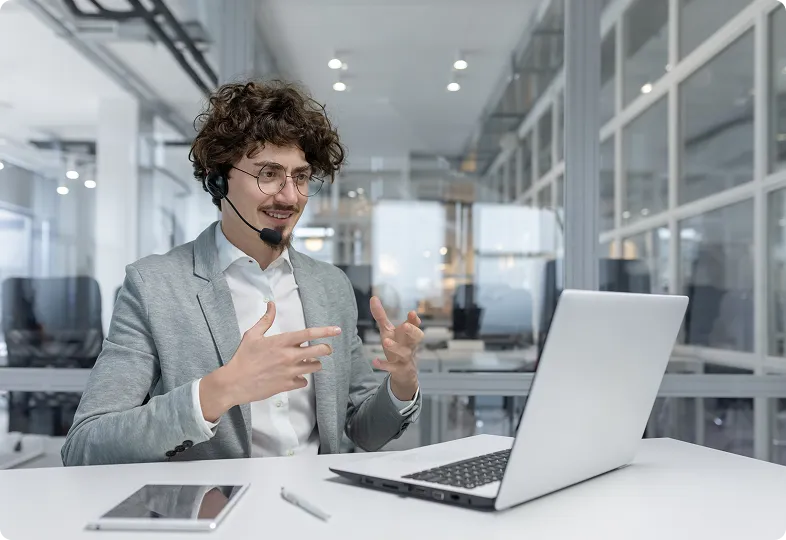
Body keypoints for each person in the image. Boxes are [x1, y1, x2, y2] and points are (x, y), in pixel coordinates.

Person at [61, 80, 424, 466]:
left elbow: (362, 430)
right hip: (216, 515)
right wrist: (219, 390)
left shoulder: (330, 285)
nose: (289, 196)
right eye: (268, 174)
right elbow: (86, 446)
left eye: (300, 177)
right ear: (219, 179)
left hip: (316, 517)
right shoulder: (154, 286)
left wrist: (401, 383)